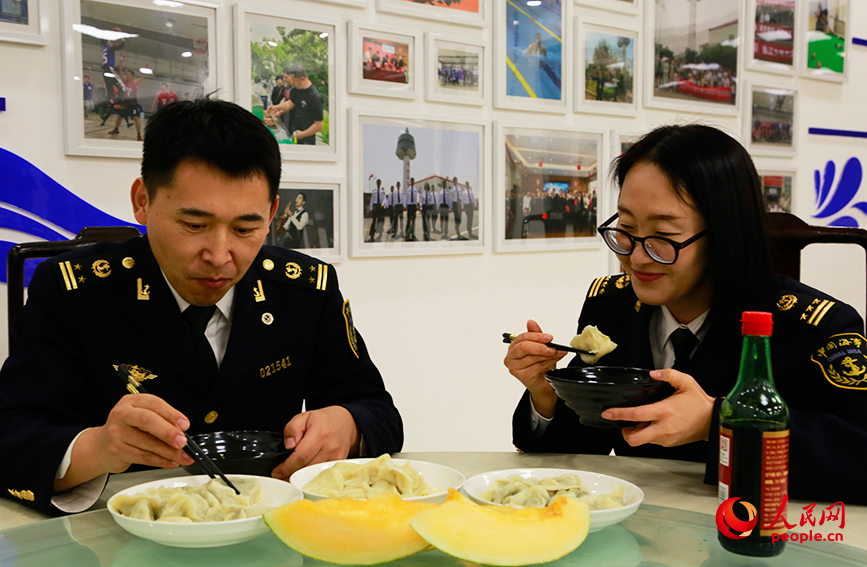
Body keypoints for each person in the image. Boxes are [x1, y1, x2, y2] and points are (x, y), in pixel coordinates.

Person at [0, 98, 403, 512]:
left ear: (273, 213)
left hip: (264, 524)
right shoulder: (74, 291)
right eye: (194, 225)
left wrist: (346, 425)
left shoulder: (304, 290)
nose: (219, 254)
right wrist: (100, 446)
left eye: (246, 227)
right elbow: (11, 435)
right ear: (142, 200)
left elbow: (378, 412)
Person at [505, 124, 867, 504]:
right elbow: (585, 448)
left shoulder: (808, 326)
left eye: (664, 236)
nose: (637, 257)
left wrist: (718, 422)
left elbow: (858, 454)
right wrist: (548, 397)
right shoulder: (612, 307)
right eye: (626, 228)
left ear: (725, 234)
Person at [269, 65, 323, 146]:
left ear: (302, 79)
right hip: (294, 132)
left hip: (306, 138)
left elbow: (319, 125)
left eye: (294, 81)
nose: (293, 84)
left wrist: (302, 134)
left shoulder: (314, 96)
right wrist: (275, 107)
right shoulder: (296, 90)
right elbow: (289, 104)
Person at [107, 57, 144, 141]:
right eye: (126, 74)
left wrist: (144, 72)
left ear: (132, 76)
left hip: (133, 104)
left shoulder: (135, 83)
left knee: (136, 118)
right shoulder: (124, 81)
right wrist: (121, 63)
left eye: (128, 74)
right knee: (120, 117)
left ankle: (139, 135)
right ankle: (116, 129)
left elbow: (142, 78)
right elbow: (120, 72)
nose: (126, 75)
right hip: (124, 103)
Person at [367, 178, 387, 243]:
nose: (378, 184)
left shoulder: (382, 191)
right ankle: (372, 235)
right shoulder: (374, 191)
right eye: (377, 183)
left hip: (380, 206)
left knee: (380, 220)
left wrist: (383, 204)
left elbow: (384, 199)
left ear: (380, 184)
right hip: (375, 206)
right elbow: (372, 200)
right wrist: (371, 208)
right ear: (376, 184)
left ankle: (380, 233)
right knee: (374, 221)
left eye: (379, 183)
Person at [404, 178, 420, 242]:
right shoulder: (408, 190)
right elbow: (406, 198)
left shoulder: (416, 190)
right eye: (411, 181)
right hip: (409, 206)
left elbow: (417, 196)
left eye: (413, 181)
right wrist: (405, 206)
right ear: (410, 182)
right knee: (408, 220)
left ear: (414, 182)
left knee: (413, 221)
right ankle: (407, 234)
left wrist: (418, 201)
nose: (412, 182)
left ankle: (412, 233)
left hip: (414, 206)